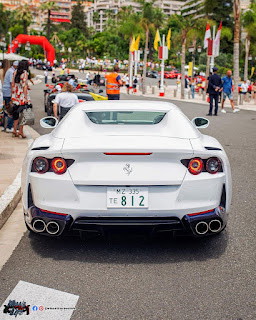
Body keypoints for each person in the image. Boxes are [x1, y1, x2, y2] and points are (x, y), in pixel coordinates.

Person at [11, 60, 31, 138]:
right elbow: (24, 86)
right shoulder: (25, 73)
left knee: (16, 113)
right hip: (22, 96)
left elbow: (13, 84)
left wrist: (12, 94)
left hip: (15, 95)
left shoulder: (15, 72)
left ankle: (14, 129)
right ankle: (20, 131)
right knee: (23, 114)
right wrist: (26, 97)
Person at [2, 60, 19, 132]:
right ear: (16, 66)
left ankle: (3, 126)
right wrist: (13, 94)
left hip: (5, 92)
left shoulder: (9, 70)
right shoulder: (12, 72)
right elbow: (12, 83)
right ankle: (9, 127)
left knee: (6, 108)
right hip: (8, 92)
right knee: (11, 109)